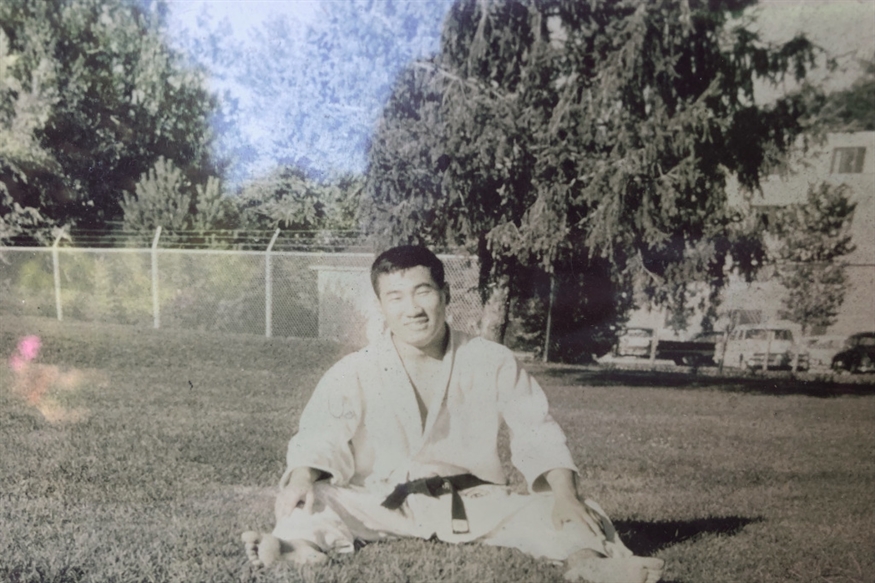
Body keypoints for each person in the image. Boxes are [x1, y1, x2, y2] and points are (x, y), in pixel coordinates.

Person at [242, 245, 664, 583]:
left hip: (475, 501)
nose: (413, 308)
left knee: (571, 507)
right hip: (385, 501)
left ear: (444, 295)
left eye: (423, 291)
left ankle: (588, 565)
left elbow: (537, 431)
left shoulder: (492, 360)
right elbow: (322, 434)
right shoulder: (355, 370)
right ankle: (296, 551)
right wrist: (301, 477)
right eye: (396, 297)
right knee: (318, 500)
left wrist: (566, 496)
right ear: (382, 307)